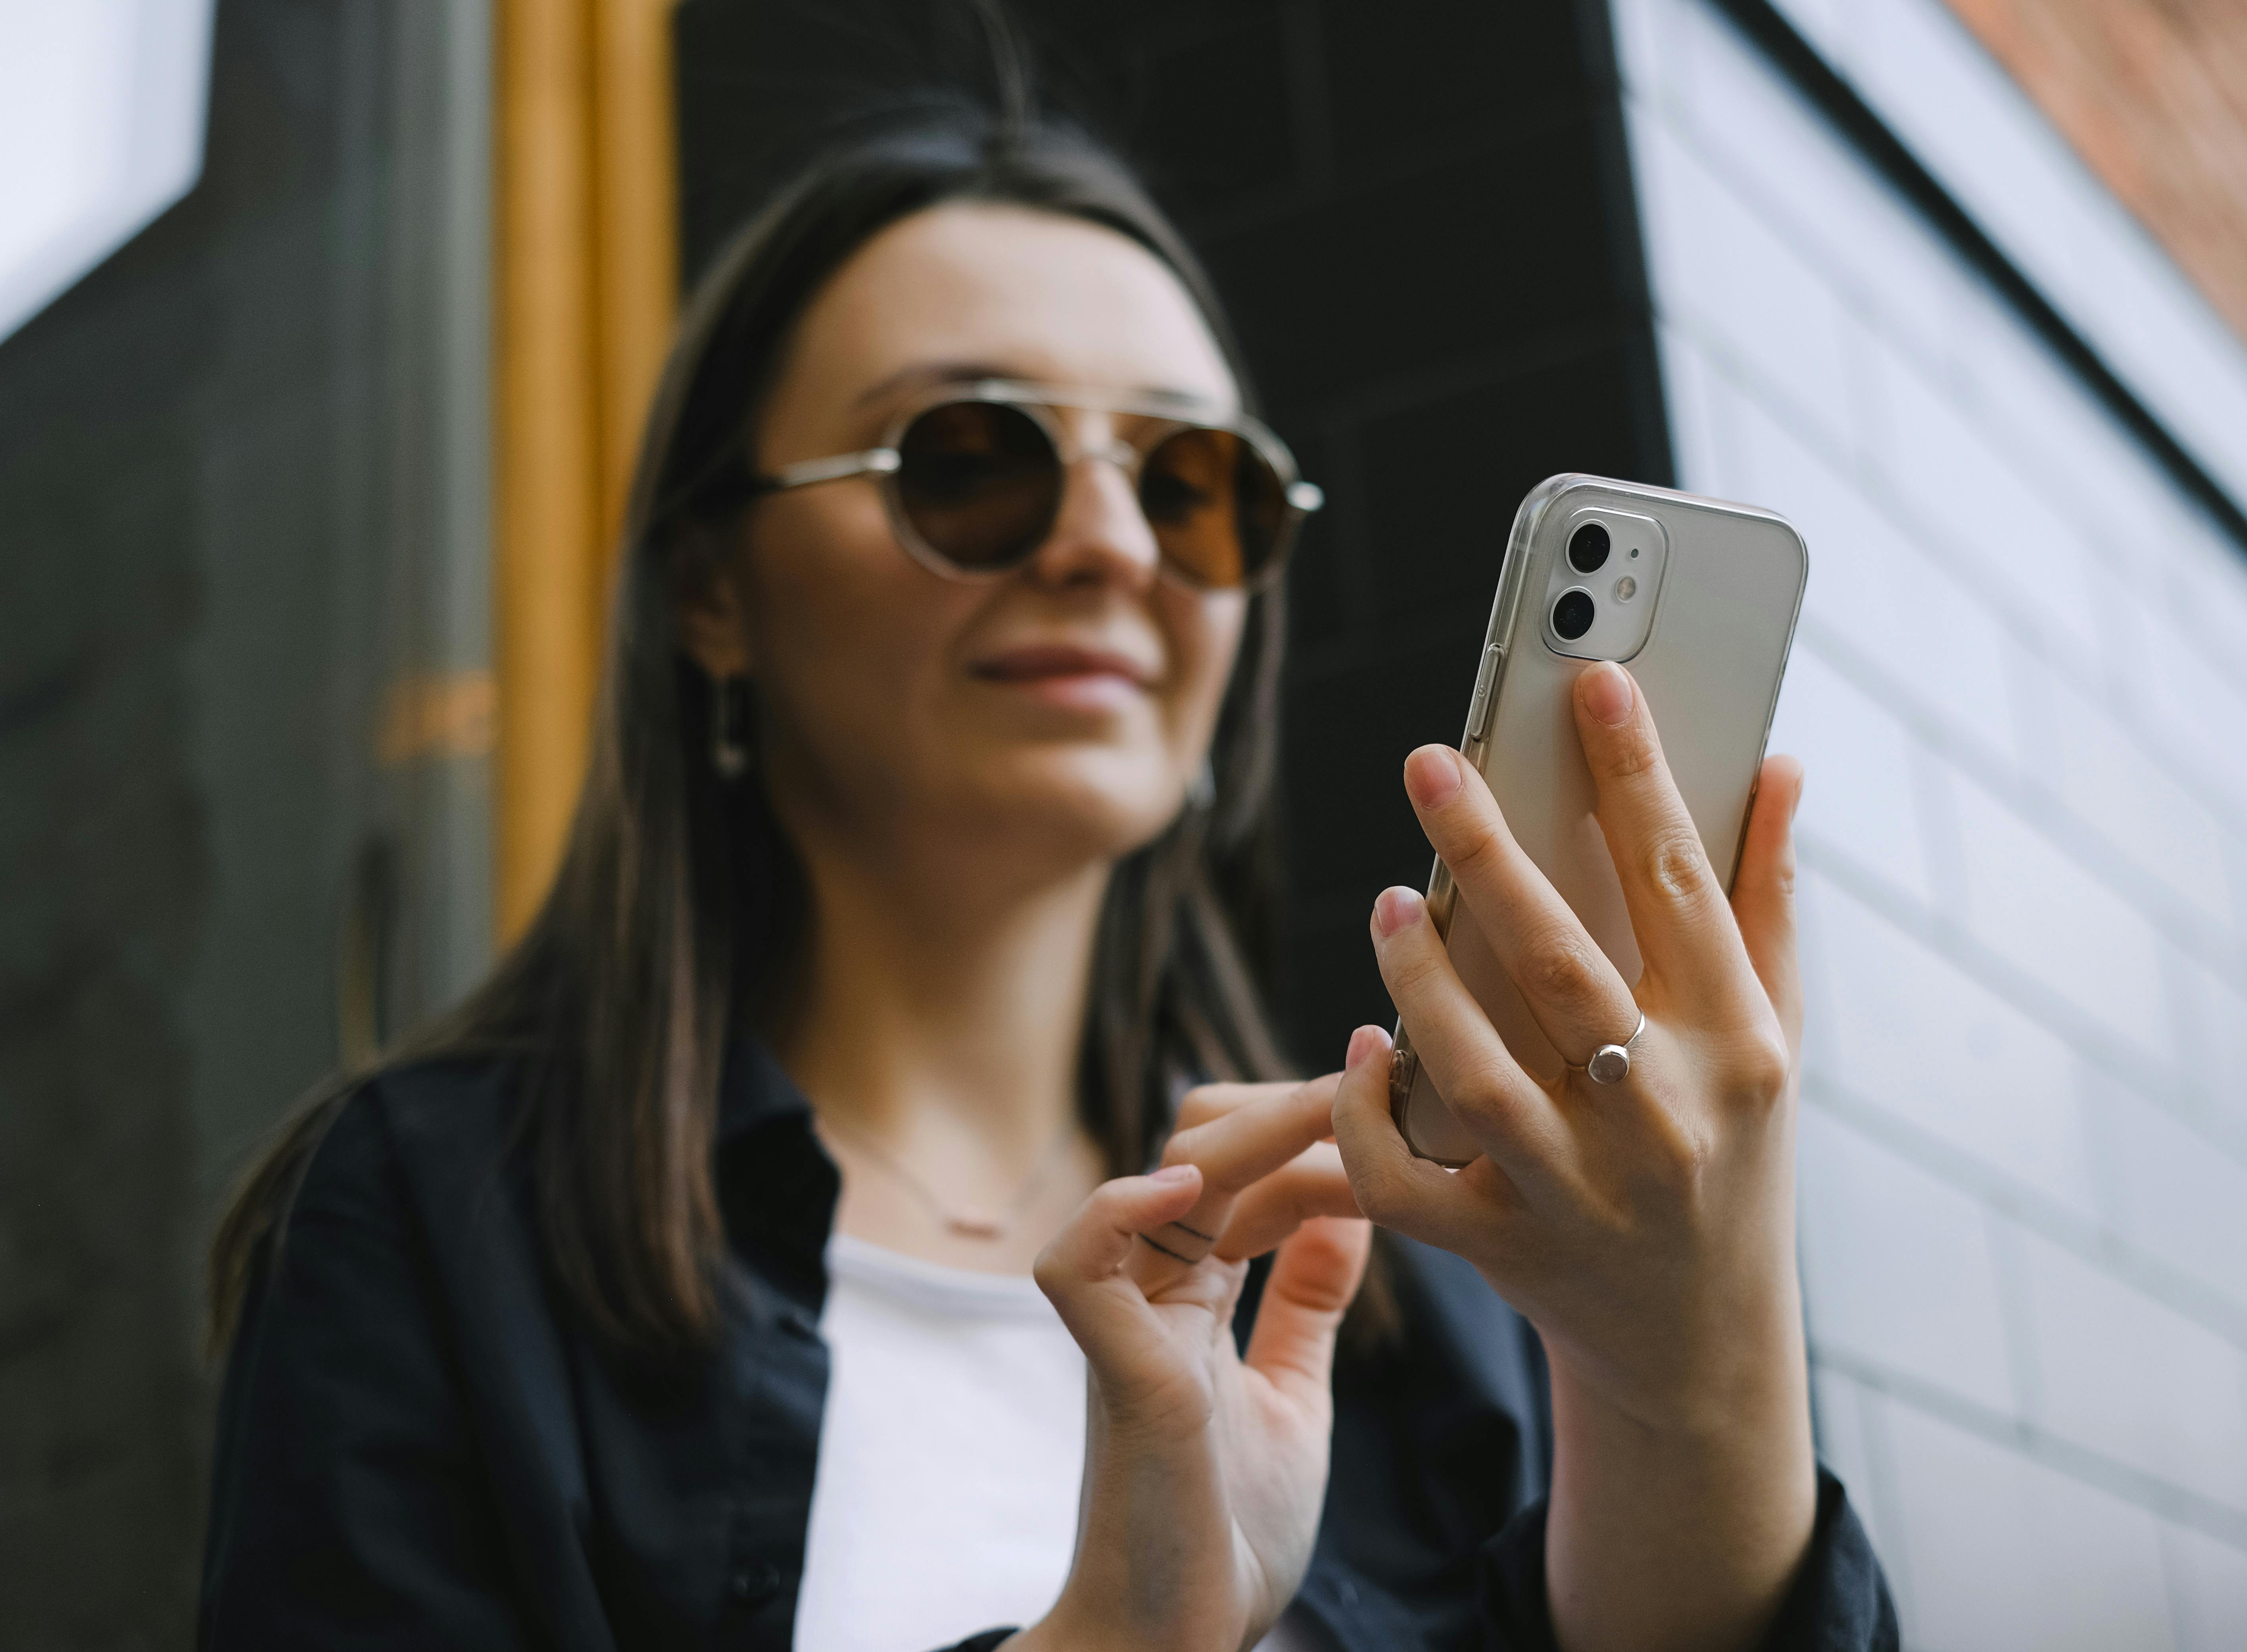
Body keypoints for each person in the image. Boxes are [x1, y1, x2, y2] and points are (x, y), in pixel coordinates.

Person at [199, 97, 1895, 1652]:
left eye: (1196, 480)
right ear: (713, 590)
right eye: (969, 458)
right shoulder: (435, 1225)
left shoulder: (1408, 1272)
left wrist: (1694, 1351)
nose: (1113, 544)